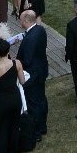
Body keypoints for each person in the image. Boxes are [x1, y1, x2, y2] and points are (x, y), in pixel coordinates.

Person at [15, 9, 49, 140]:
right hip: (41, 70)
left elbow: (27, 60)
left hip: (33, 74)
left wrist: (17, 63)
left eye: (21, 19)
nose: (20, 21)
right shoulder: (40, 30)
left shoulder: (30, 38)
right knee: (41, 99)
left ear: (26, 21)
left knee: (34, 103)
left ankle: (37, 131)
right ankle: (43, 126)